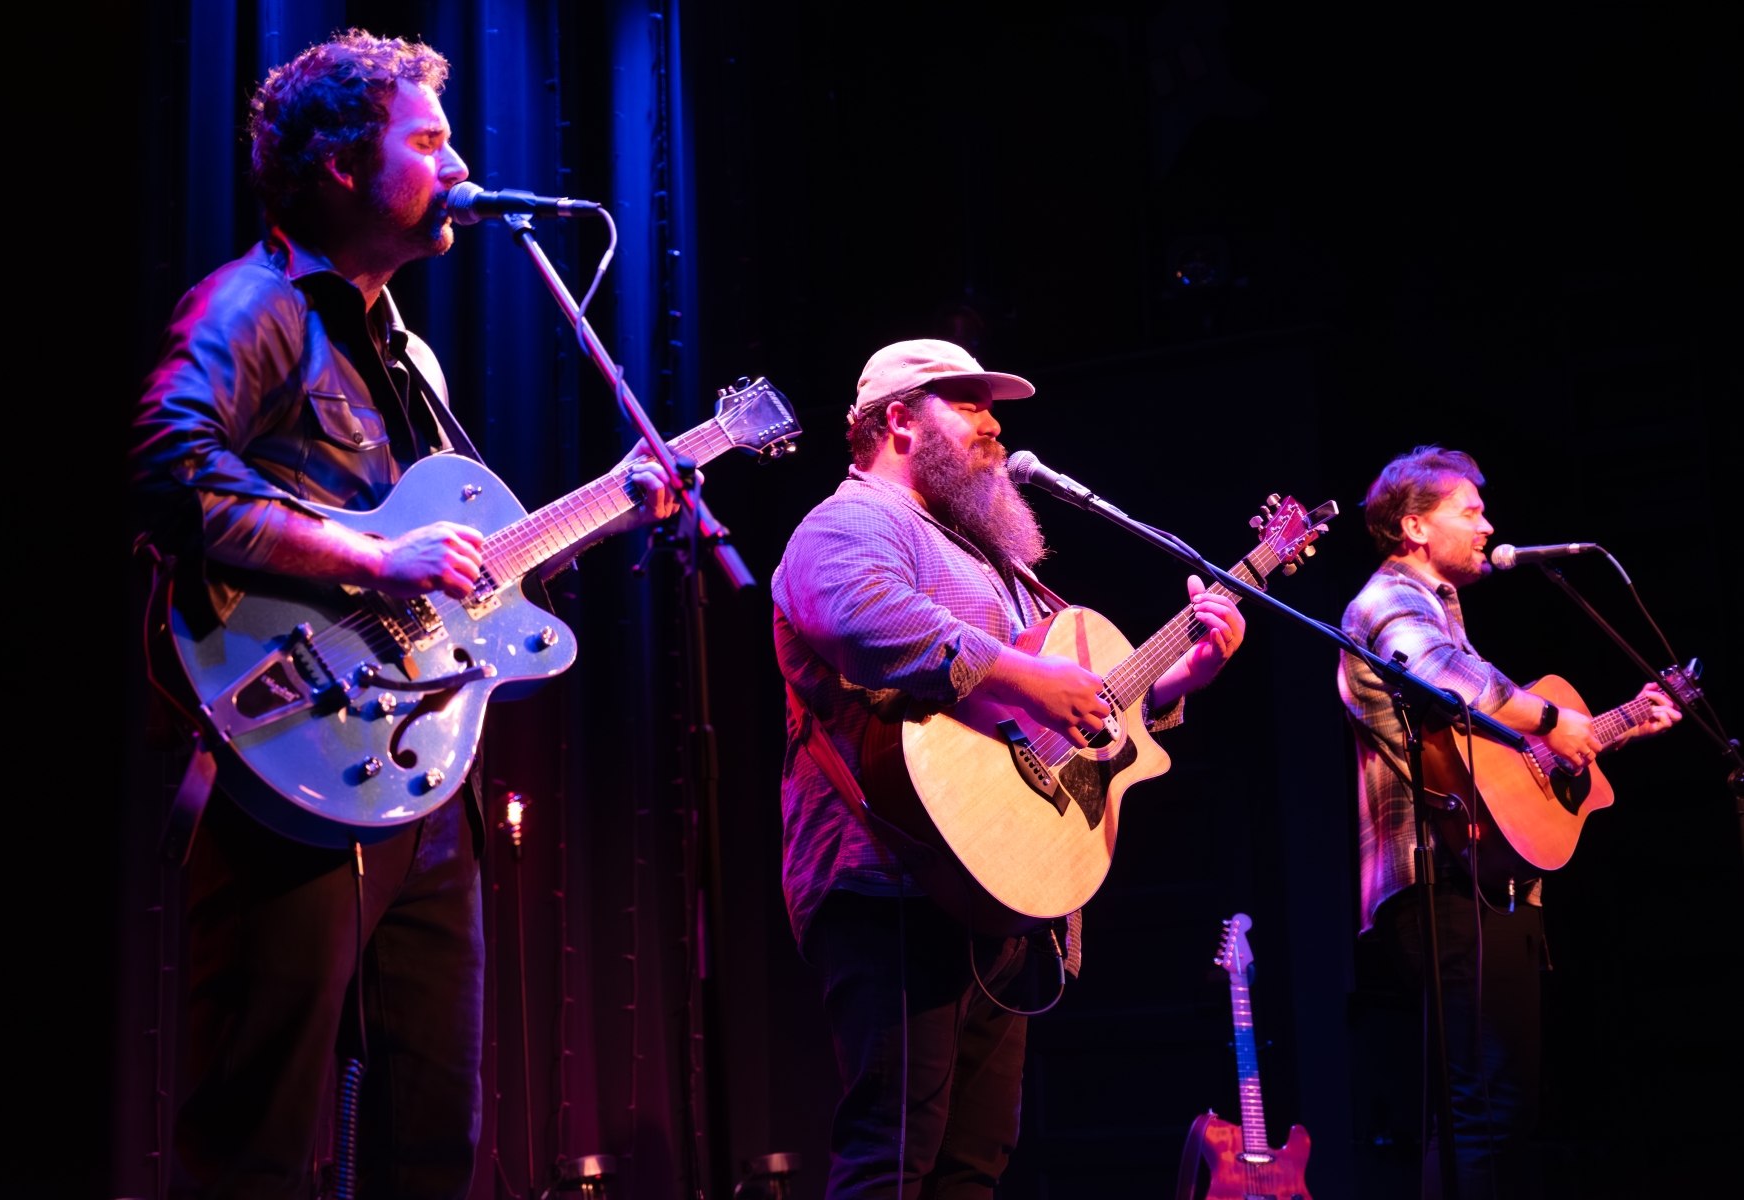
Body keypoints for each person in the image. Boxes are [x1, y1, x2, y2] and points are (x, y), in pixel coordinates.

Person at [131, 31, 677, 1199]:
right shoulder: (253, 305)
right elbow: (170, 474)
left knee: (432, 1138)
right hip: (290, 764)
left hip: (421, 779)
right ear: (339, 165)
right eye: (428, 141)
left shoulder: (410, 357)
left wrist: (614, 512)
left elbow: (466, 579)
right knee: (258, 1135)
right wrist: (374, 557)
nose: (460, 165)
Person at [770, 340, 1247, 1198]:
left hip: (999, 890)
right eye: (969, 404)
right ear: (899, 421)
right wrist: (1026, 678)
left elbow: (1073, 713)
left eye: (993, 407)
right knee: (891, 1158)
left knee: (974, 1165)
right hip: (893, 878)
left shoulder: (999, 562)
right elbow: (862, 618)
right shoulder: (853, 521)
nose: (994, 424)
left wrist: (1177, 680)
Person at [1337, 446, 1680, 1198]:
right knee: (1483, 1113)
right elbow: (1443, 677)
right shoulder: (1389, 602)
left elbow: (1503, 759)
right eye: (1471, 511)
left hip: (1480, 881)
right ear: (1415, 526)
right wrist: (1555, 719)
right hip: (1441, 876)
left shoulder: (1441, 614)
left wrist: (1615, 726)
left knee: (1493, 1113)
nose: (1488, 526)